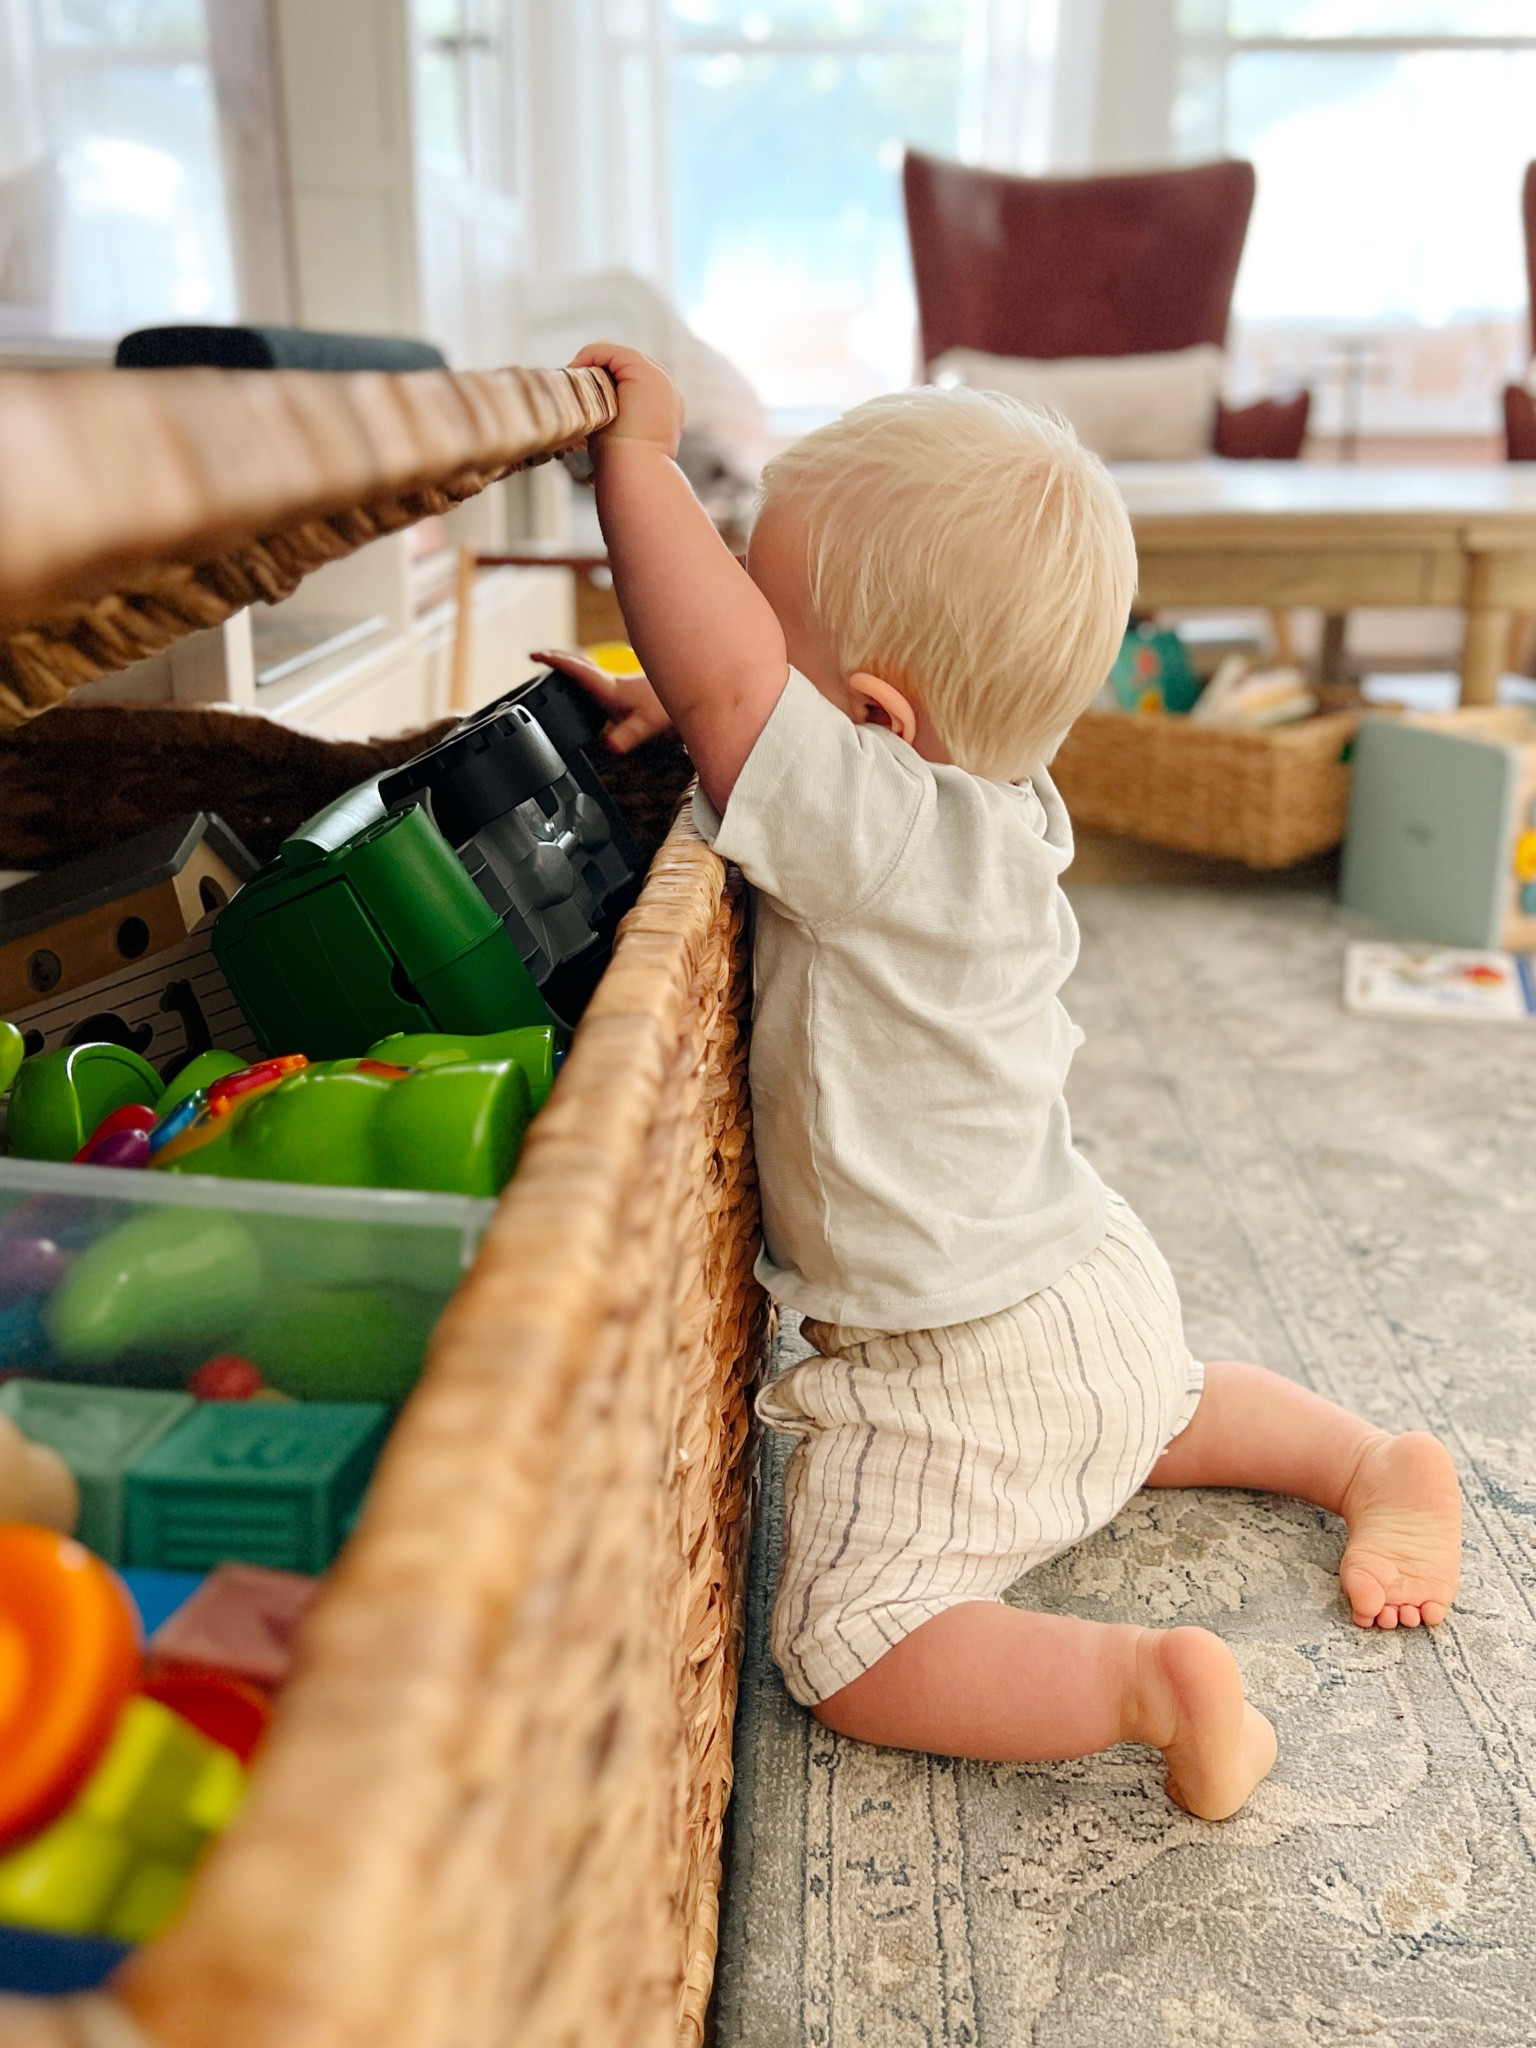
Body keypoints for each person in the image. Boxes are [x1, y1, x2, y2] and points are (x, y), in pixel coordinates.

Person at [535, 343, 1462, 1822]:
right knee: (1156, 1413)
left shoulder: (877, 826)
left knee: (843, 1644)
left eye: (773, 655)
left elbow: (731, 690)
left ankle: (1141, 1685)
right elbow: (736, 703)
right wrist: (679, 709)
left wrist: (632, 466)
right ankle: (1366, 1455)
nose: (740, 685)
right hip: (1088, 1277)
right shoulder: (995, 806)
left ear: (881, 725)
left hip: (947, 1365)